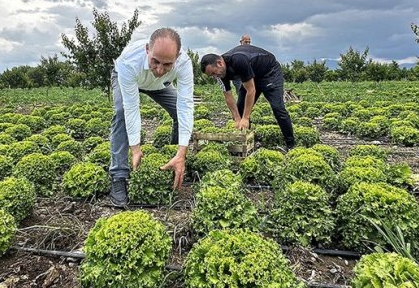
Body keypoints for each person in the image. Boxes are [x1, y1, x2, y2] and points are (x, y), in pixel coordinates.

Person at [109, 27, 194, 207]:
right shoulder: (129, 61)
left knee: (179, 112)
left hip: (159, 85)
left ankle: (173, 159)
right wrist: (135, 148)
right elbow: (131, 107)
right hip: (129, 78)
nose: (160, 69)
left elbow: (186, 105)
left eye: (167, 65)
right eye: (155, 61)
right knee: (121, 114)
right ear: (147, 49)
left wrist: (182, 152)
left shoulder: (184, 63)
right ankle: (118, 175)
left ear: (177, 58)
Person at [200, 44, 295, 149]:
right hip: (253, 76)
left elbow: (251, 90)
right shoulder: (220, 74)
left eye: (214, 73)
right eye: (211, 75)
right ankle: (246, 142)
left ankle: (290, 144)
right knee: (239, 111)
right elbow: (228, 96)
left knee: (278, 108)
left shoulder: (238, 60)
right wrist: (237, 118)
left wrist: (245, 118)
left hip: (269, 73)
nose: (214, 77)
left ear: (219, 63)